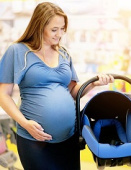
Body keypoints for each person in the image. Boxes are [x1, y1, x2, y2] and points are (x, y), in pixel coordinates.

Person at [0, 2, 114, 170]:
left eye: (62, 29)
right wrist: (25, 123)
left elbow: (73, 92)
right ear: (39, 26)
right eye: (54, 30)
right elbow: (3, 95)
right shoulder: (17, 51)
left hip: (69, 138)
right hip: (35, 140)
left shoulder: (63, 53)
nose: (59, 34)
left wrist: (94, 83)